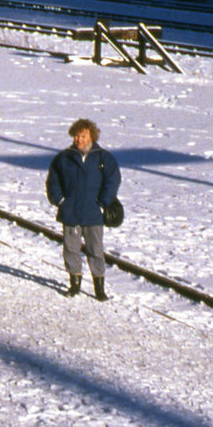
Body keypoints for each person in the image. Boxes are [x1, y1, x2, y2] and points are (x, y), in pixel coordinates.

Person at [47, 118, 121, 301]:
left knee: (95, 249)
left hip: (93, 212)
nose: (79, 139)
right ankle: (75, 284)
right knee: (71, 249)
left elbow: (113, 181)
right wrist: (60, 200)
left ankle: (99, 288)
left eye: (83, 136)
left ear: (91, 136)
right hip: (70, 212)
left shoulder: (104, 158)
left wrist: (102, 202)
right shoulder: (64, 158)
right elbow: (53, 181)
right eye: (76, 136)